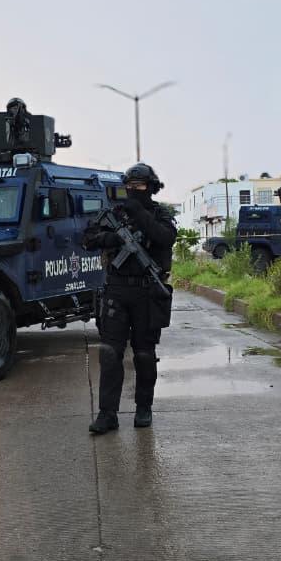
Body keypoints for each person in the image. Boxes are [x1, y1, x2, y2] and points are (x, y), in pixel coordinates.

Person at [84, 162, 177, 434]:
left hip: (148, 291)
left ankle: (143, 408)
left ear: (151, 187)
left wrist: (140, 214)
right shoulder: (115, 213)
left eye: (140, 186)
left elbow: (165, 238)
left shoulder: (160, 214)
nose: (134, 190)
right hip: (117, 289)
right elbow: (87, 238)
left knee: (145, 355)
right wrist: (113, 239)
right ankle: (107, 413)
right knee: (110, 353)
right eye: (131, 186)